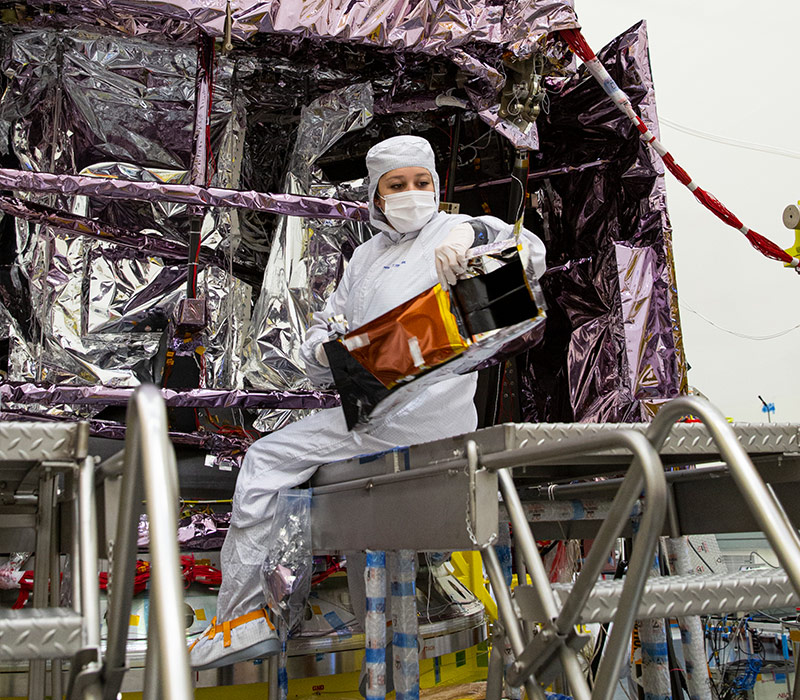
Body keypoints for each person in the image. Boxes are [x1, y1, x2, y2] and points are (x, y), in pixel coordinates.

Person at [189, 135, 546, 670]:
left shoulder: (453, 231)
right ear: (376, 197)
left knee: (266, 460)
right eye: (396, 185)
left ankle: (243, 621)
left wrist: (477, 235)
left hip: (427, 417)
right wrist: (323, 349)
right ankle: (355, 646)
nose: (411, 193)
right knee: (355, 526)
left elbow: (531, 256)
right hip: (375, 410)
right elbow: (330, 328)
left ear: (436, 186)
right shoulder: (364, 257)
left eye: (421, 183)